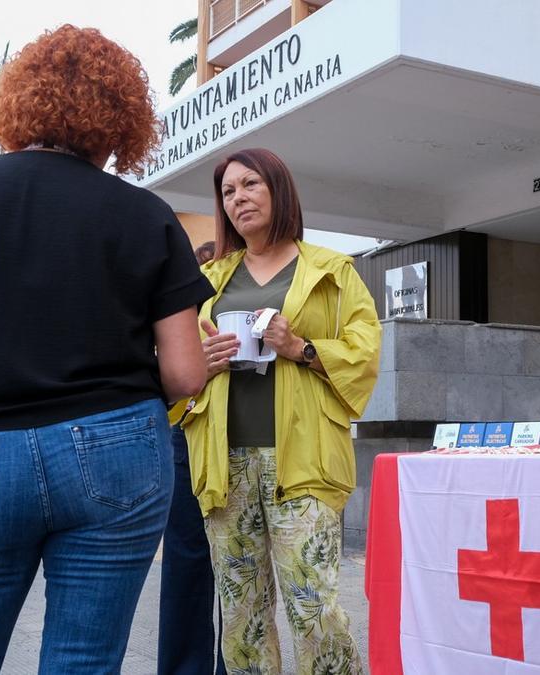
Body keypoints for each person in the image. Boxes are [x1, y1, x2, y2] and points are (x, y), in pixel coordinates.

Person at [0, 25, 212, 672]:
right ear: (121, 120)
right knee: (84, 661)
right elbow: (188, 373)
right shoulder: (145, 214)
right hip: (118, 451)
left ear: (20, 104)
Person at [184, 148, 380, 673]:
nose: (238, 198)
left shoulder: (331, 270)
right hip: (224, 463)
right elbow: (176, 363)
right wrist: (199, 362)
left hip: (303, 460)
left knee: (313, 606)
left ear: (277, 189)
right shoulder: (211, 278)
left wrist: (302, 347)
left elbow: (365, 348)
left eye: (250, 185)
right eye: (228, 192)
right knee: (242, 614)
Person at [158, 241, 226, 675]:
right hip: (186, 430)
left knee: (240, 567)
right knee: (187, 559)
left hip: (242, 435)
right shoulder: (173, 306)